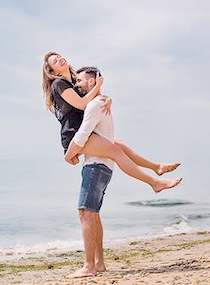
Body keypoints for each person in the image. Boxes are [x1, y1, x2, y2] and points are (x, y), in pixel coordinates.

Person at [41, 52, 182, 193]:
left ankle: (156, 167)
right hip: (74, 134)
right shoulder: (59, 84)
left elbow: (92, 97)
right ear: (52, 72)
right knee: (116, 151)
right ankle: (154, 183)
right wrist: (99, 84)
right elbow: (83, 104)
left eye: (59, 56)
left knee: (119, 144)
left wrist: (108, 98)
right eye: (55, 61)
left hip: (87, 131)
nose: (60, 59)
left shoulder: (74, 81)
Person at [65, 67, 117, 278]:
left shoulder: (95, 104)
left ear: (93, 81)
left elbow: (82, 135)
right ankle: (99, 263)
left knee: (85, 212)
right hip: (103, 165)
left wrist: (69, 155)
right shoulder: (101, 101)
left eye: (80, 81)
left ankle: (88, 266)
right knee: (93, 214)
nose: (77, 85)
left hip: (96, 165)